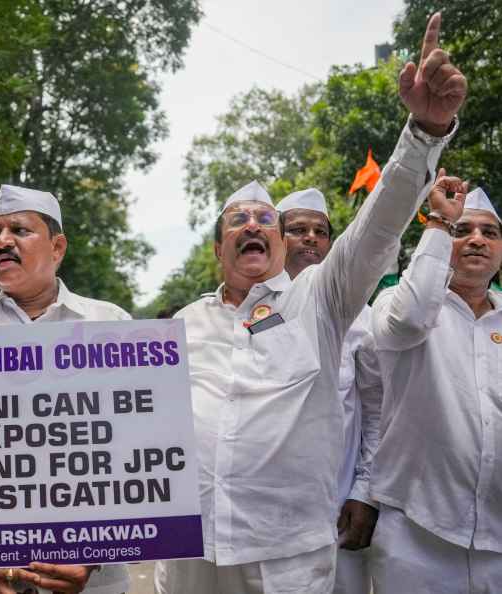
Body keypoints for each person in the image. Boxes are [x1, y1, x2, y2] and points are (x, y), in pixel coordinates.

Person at [155, 13, 465, 594]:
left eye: (264, 219)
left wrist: (423, 131)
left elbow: (376, 228)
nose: (252, 225)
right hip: (191, 554)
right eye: (237, 221)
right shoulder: (181, 326)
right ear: (219, 246)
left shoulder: (319, 301)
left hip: (287, 558)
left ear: (277, 242)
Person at [0, 184, 130, 594]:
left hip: (88, 580)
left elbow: (136, 448)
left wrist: (90, 556)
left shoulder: (112, 326)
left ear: (57, 248)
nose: (2, 241)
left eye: (19, 230)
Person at [369, 179, 502, 593]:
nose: (477, 240)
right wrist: (440, 220)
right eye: (462, 231)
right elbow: (409, 321)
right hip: (415, 535)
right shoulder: (397, 305)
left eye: (490, 233)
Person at [275, 189, 383, 594]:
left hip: (337, 512)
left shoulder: (361, 317)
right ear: (275, 238)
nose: (310, 238)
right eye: (297, 229)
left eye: (320, 231)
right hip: (266, 519)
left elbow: (376, 412)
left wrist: (365, 493)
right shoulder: (253, 311)